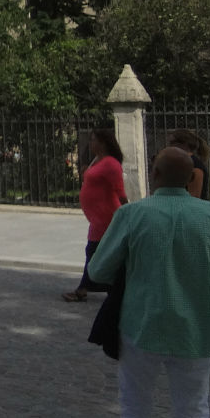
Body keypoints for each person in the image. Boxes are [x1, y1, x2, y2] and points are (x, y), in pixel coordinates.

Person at [88, 147, 210, 418]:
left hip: (141, 328)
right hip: (198, 334)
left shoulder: (134, 215)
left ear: (155, 175)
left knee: (134, 416)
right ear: (191, 179)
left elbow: (98, 269)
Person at [62, 128, 127, 302]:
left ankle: (84, 288)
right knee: (97, 251)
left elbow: (120, 191)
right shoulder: (98, 160)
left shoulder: (111, 164)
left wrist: (127, 213)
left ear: (103, 142)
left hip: (106, 217)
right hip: (98, 217)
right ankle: (109, 286)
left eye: (93, 140)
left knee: (93, 250)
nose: (90, 143)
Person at [169, 129, 210, 201]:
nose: (170, 146)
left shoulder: (195, 166)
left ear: (184, 144)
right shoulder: (182, 163)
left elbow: (194, 197)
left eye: (172, 142)